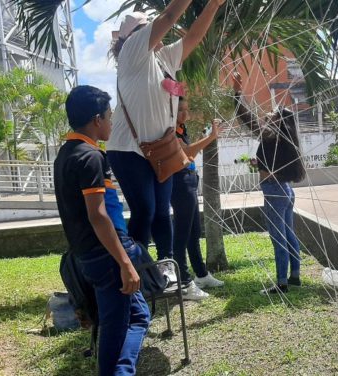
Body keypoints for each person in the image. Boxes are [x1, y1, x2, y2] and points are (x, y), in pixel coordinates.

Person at [106, 0, 225, 282]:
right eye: (147, 27)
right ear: (133, 35)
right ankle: (134, 270)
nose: (156, 32)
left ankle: (168, 272)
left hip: (159, 149)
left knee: (161, 211)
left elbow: (194, 36)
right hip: (128, 149)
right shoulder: (133, 52)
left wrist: (213, 6)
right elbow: (170, 15)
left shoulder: (164, 59)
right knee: (145, 209)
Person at [54, 85, 149, 375]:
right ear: (96, 119)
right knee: (115, 327)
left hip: (86, 254)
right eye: (109, 116)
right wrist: (124, 263)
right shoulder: (91, 157)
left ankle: (120, 370)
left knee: (139, 315)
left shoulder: (65, 154)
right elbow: (98, 215)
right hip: (105, 257)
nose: (111, 122)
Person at [232, 73, 306, 295]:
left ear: (277, 121)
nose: (268, 113)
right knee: (289, 234)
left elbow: (248, 120)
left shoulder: (271, 134)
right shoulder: (283, 139)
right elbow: (269, 163)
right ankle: (294, 276)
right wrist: (256, 163)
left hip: (274, 192)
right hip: (285, 190)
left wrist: (237, 95)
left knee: (278, 238)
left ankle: (281, 283)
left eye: (273, 113)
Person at [171, 97, 224, 300]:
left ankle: (201, 274)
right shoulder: (170, 132)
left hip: (190, 180)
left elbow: (189, 155)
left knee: (193, 232)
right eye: (179, 111)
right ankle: (183, 282)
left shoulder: (182, 130)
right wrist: (212, 136)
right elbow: (187, 152)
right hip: (180, 184)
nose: (184, 114)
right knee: (182, 234)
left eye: (186, 109)